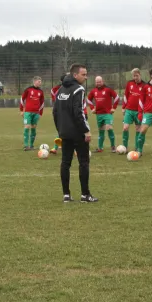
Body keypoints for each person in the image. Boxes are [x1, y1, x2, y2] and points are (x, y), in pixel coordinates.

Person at [53, 63, 98, 203]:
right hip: (78, 133)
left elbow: (55, 112)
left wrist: (60, 129)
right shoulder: (79, 89)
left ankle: (66, 195)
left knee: (65, 163)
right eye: (83, 74)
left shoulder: (60, 89)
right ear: (75, 75)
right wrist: (86, 131)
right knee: (83, 162)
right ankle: (85, 195)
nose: (86, 77)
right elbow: (78, 113)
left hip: (64, 132)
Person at [87, 76, 119, 153]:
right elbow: (88, 99)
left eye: (99, 81)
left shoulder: (108, 89)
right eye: (97, 82)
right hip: (98, 114)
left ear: (103, 81)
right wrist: (92, 108)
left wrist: (114, 107)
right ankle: (100, 148)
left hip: (107, 113)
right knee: (101, 131)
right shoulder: (93, 91)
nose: (98, 83)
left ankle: (113, 146)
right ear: (95, 82)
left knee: (109, 128)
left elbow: (117, 97)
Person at [122, 68, 145, 151]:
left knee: (138, 129)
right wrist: (123, 107)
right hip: (128, 110)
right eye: (134, 76)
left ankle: (137, 147)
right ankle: (125, 147)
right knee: (125, 127)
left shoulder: (144, 85)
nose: (135, 77)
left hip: (139, 111)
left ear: (140, 75)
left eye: (137, 76)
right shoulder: (129, 83)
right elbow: (126, 95)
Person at [19, 76, 45, 151]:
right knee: (27, 127)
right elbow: (22, 99)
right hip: (27, 112)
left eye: (40, 81)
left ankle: (31, 145)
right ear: (34, 82)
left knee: (34, 128)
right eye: (39, 81)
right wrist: (21, 110)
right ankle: (26, 145)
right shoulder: (28, 89)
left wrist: (40, 113)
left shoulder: (41, 92)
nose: (40, 83)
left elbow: (42, 103)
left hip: (36, 113)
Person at [50, 74, 67, 154]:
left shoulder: (74, 88)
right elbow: (54, 98)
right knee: (61, 130)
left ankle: (74, 149)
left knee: (72, 131)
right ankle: (55, 148)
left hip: (70, 112)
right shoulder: (56, 89)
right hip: (60, 112)